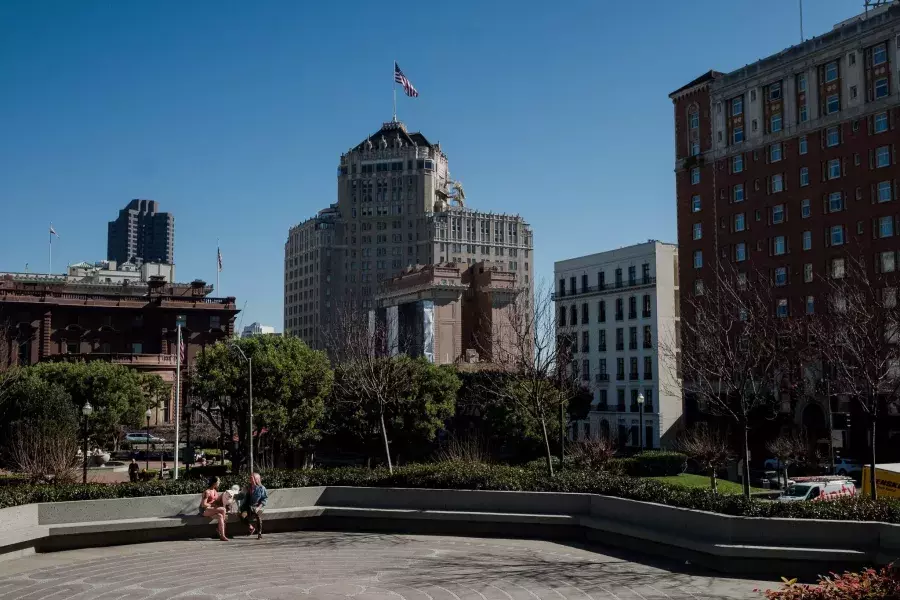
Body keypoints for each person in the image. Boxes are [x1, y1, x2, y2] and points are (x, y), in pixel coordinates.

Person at [199, 476, 228, 541]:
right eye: (219, 481)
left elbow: (216, 501)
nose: (220, 483)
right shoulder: (207, 492)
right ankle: (220, 528)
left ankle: (222, 535)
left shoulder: (214, 491)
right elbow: (203, 505)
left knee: (220, 516)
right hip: (204, 510)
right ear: (215, 483)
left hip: (212, 510)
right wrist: (213, 505)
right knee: (223, 510)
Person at [241, 472, 268, 539]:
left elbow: (264, 499)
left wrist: (258, 508)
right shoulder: (247, 487)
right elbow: (241, 496)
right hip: (248, 507)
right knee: (242, 515)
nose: (250, 479)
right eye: (250, 478)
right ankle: (251, 527)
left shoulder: (262, 488)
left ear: (257, 479)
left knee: (258, 516)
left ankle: (259, 533)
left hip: (257, 506)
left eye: (252, 478)